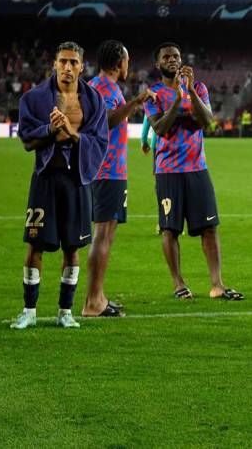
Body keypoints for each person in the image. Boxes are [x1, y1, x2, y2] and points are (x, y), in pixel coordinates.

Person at [11, 41, 109, 330]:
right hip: (45, 179)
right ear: (54, 64)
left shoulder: (93, 101)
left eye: (73, 62)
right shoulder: (34, 99)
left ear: (82, 66)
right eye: (63, 61)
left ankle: (65, 312)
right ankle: (29, 311)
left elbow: (100, 143)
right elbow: (28, 141)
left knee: (73, 247)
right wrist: (51, 131)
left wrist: (71, 132)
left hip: (76, 180)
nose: (67, 67)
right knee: (35, 244)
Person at [144, 42, 243, 302]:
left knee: (210, 227)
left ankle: (217, 285)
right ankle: (178, 283)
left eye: (176, 56)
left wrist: (188, 92)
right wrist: (177, 100)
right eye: (166, 57)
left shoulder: (198, 88)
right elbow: (161, 129)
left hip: (197, 168)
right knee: (170, 229)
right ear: (158, 64)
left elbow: (206, 119)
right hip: (167, 171)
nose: (173, 60)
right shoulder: (153, 93)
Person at [83, 40, 157, 317]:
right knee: (102, 235)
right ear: (118, 63)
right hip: (106, 171)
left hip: (109, 170)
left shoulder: (100, 86)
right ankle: (92, 301)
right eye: (127, 60)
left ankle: (99, 295)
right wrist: (136, 102)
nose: (129, 65)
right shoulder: (103, 88)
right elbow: (105, 121)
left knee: (108, 235)